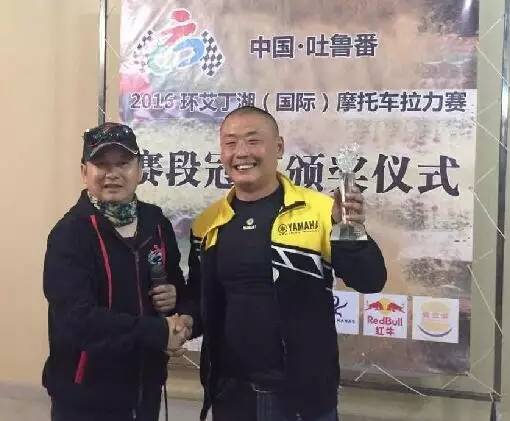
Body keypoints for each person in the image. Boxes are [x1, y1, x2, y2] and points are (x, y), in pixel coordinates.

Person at [181, 106, 387, 421]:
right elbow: (201, 300)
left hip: (303, 398)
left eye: (253, 141)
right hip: (231, 395)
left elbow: (369, 280)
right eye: (230, 143)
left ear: (278, 147)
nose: (241, 152)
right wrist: (181, 321)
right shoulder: (207, 223)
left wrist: (350, 231)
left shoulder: (321, 210)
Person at [42, 122, 192, 421]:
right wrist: (157, 332)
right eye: (101, 164)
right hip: (86, 397)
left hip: (145, 388)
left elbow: (176, 282)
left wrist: (177, 302)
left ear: (140, 170)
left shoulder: (155, 223)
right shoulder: (70, 234)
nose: (112, 174)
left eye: (123, 163)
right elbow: (76, 320)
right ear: (84, 172)